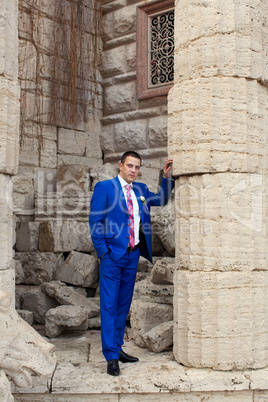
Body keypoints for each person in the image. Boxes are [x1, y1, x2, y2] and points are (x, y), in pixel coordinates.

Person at [89, 151, 174, 376]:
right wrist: (103, 252)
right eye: (129, 166)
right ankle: (111, 357)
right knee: (109, 305)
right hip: (111, 256)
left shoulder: (141, 190)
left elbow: (162, 199)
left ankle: (118, 348)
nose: (133, 170)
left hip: (132, 255)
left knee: (123, 305)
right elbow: (95, 221)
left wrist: (166, 178)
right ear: (120, 165)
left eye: (137, 167)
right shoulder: (105, 188)